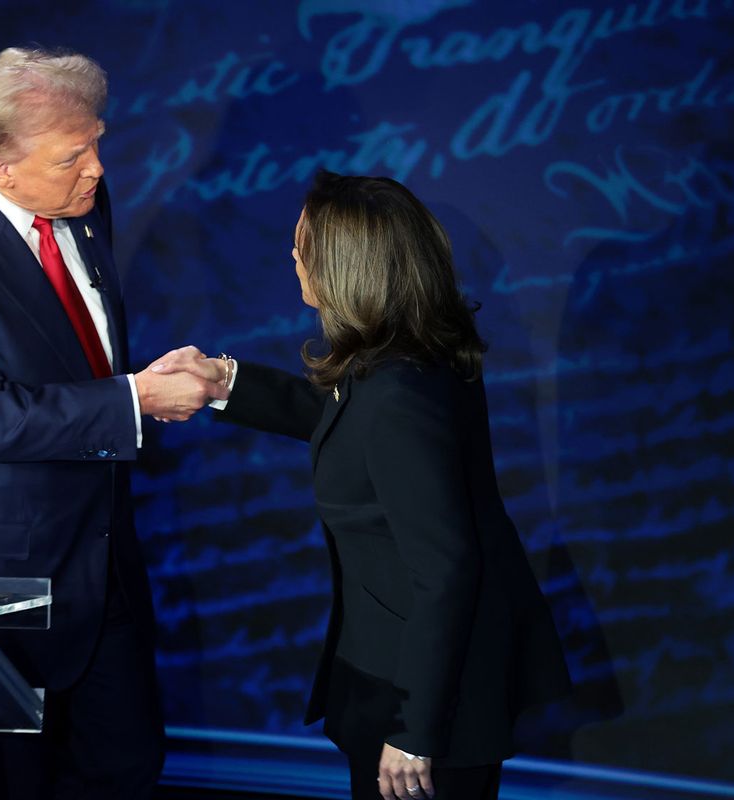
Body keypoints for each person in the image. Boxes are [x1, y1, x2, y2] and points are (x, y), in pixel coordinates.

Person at [0, 47, 224, 799]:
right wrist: (137, 400)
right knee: (10, 786)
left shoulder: (78, 201)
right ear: (0, 169)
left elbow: (69, 350)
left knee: (122, 769)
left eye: (96, 143)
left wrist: (141, 384)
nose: (96, 167)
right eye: (74, 155)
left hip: (98, 557)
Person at [155, 172, 571, 800]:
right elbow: (345, 421)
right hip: (396, 672)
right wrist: (224, 382)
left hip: (426, 702)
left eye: (303, 243)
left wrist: (415, 731)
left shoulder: (399, 395)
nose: (291, 255)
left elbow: (446, 571)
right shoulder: (402, 356)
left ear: (346, 267)